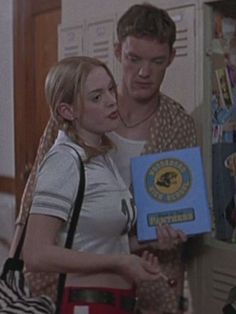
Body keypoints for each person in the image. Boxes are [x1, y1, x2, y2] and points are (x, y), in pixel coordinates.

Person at [11, 3, 197, 314]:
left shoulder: (177, 125)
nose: (143, 72)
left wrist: (168, 235)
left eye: (157, 61)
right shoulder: (76, 121)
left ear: (171, 59)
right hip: (70, 281)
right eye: (133, 58)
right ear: (117, 51)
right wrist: (14, 260)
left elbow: (177, 203)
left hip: (146, 276)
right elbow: (34, 197)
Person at [22, 56, 162, 314]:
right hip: (86, 304)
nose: (111, 100)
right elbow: (35, 253)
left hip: (118, 301)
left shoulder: (101, 155)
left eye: (110, 89)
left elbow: (90, 242)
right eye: (96, 97)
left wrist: (144, 245)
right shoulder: (65, 159)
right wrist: (119, 262)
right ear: (68, 111)